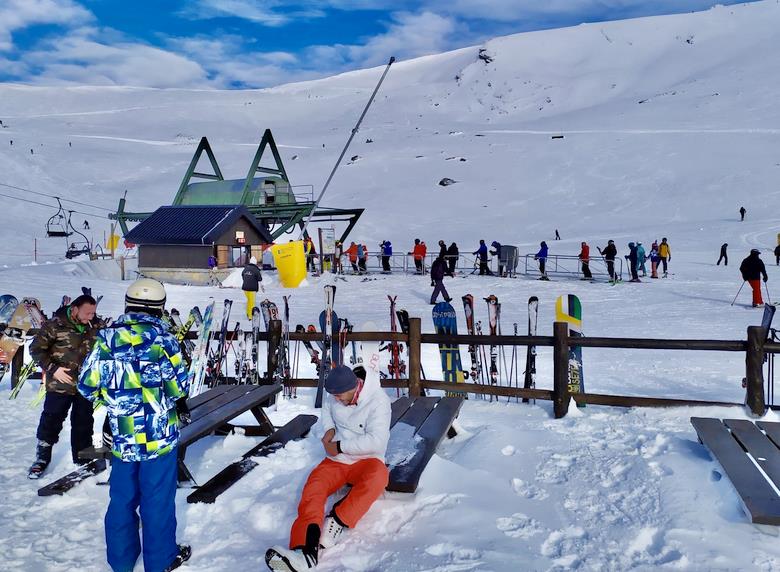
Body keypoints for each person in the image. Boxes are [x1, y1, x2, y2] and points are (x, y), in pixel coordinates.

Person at [78, 278, 191, 572]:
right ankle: (161, 560)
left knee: (122, 499)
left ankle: (121, 560)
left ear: (128, 304)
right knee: (157, 500)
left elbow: (86, 386)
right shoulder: (164, 340)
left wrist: (113, 396)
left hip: (123, 436)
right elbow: (179, 387)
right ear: (159, 308)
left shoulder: (105, 339)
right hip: (159, 436)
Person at [265, 366, 390, 572]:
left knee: (379, 478)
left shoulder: (378, 401)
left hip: (367, 458)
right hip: (337, 459)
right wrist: (329, 429)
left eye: (341, 396)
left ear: (354, 387)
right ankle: (303, 552)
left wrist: (339, 446)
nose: (337, 400)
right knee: (314, 487)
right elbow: (327, 410)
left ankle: (338, 518)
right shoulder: (335, 395)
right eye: (335, 396)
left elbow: (377, 441)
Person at [27, 294, 102, 478]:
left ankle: (83, 456)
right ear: (75, 309)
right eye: (87, 313)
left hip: (85, 384)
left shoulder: (95, 325)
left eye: (93, 313)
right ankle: (42, 457)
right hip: (60, 383)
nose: (90, 317)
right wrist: (53, 368)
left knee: (84, 421)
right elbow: (35, 349)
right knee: (51, 419)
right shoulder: (55, 324)